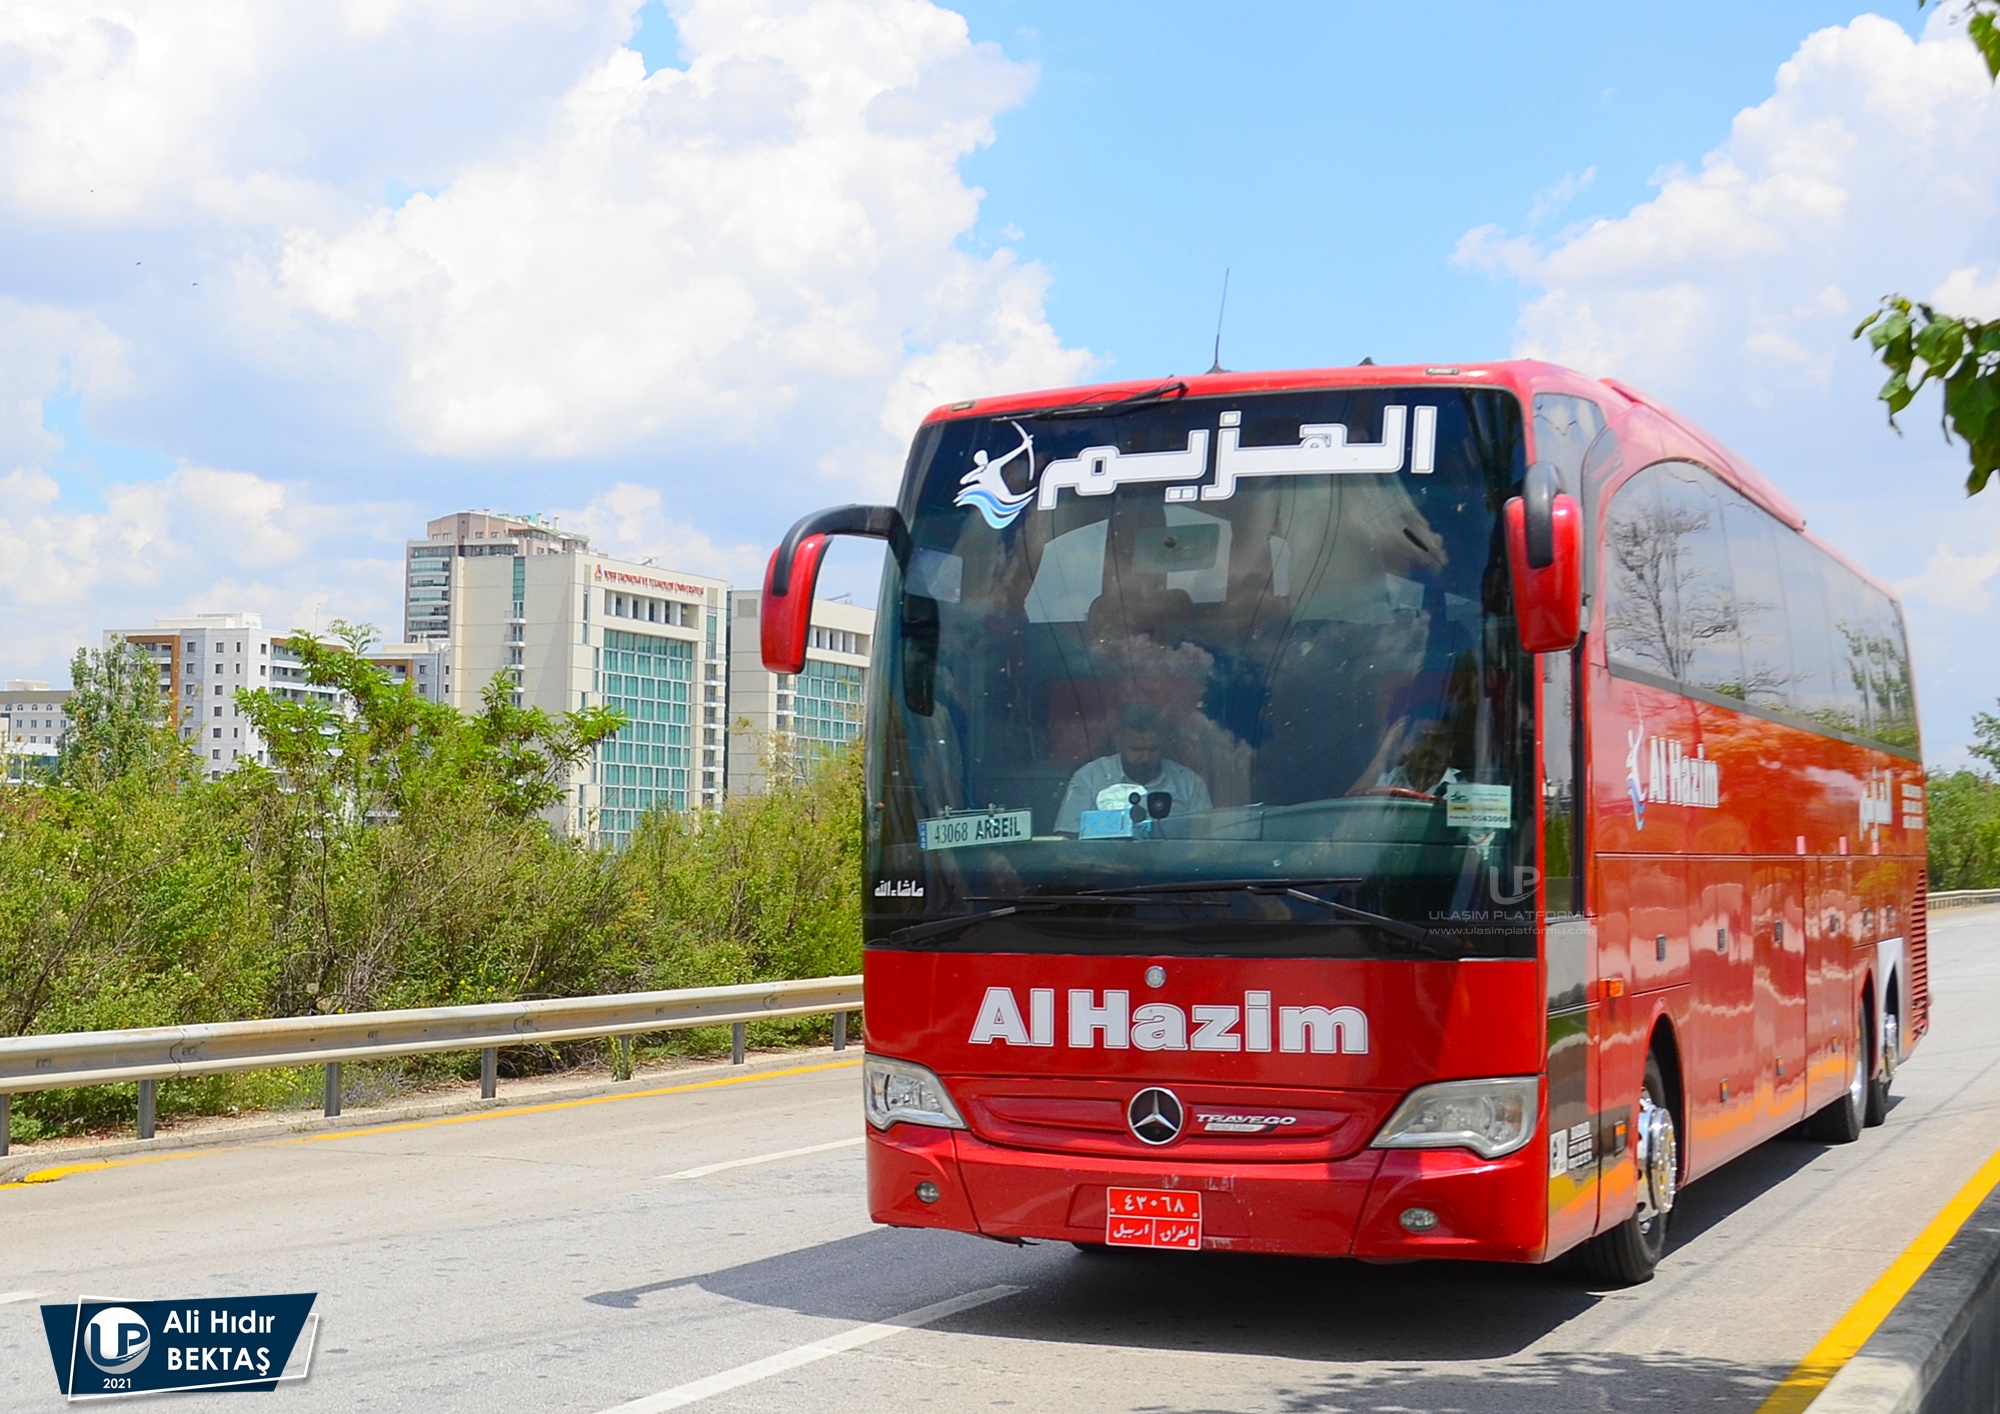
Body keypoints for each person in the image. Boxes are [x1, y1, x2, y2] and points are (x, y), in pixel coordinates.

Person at [1055, 701, 1212, 835]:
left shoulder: (1189, 784)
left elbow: (1203, 840)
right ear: (1119, 743)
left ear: (1164, 742)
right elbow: (1068, 837)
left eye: (1153, 749)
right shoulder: (1089, 778)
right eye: (1136, 750)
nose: (1146, 758)